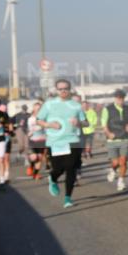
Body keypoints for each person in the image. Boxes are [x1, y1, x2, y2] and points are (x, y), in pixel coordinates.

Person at [37, 79, 85, 208]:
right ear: (56, 90)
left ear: (70, 89)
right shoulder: (49, 104)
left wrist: (78, 123)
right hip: (55, 142)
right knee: (59, 168)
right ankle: (53, 178)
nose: (63, 91)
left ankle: (68, 198)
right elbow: (38, 120)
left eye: (66, 88)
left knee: (71, 168)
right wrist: (49, 124)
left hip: (73, 141)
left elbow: (86, 123)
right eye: (60, 89)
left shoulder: (76, 105)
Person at [101, 89, 128, 191]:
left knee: (123, 161)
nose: (120, 100)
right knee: (115, 162)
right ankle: (113, 170)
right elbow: (104, 124)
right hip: (112, 139)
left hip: (124, 138)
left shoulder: (127, 109)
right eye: (118, 98)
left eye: (122, 98)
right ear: (115, 98)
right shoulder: (107, 109)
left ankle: (121, 181)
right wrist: (108, 133)